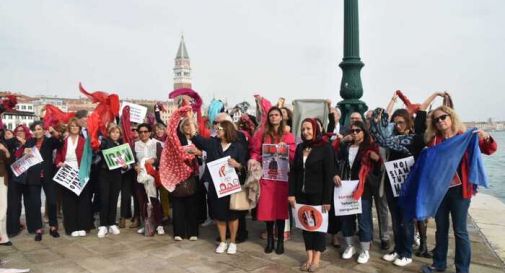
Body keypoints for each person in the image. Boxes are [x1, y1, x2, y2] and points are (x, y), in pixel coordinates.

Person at [421, 106, 497, 273]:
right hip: (439, 191)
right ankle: (439, 263)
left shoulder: (465, 137)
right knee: (441, 228)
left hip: (460, 191)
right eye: (436, 119)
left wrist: (486, 137)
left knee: (460, 230)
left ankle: (462, 269)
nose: (440, 121)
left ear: (451, 117)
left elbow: (490, 150)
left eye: (443, 117)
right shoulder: (433, 141)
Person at [191, 120, 247, 254]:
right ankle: (222, 241)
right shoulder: (212, 143)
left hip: (232, 186)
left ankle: (233, 242)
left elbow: (244, 166)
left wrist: (237, 165)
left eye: (220, 129)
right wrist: (190, 118)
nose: (217, 130)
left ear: (227, 130)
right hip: (216, 186)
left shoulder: (238, 147)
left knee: (233, 215)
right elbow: (196, 138)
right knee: (219, 214)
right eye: (217, 128)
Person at [249, 106, 296, 255]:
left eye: (276, 115)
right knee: (268, 209)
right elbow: (256, 151)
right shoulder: (263, 135)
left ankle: (280, 240)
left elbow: (295, 155)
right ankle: (270, 239)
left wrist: (286, 149)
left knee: (280, 211)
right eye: (271, 115)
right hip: (267, 178)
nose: (274, 117)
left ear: (281, 117)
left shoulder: (288, 136)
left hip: (282, 178)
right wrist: (253, 159)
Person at [288, 118, 334, 272]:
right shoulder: (300, 147)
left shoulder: (325, 148)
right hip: (302, 195)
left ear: (315, 129)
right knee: (306, 226)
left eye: (308, 129)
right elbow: (294, 172)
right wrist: (291, 193)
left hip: (319, 196)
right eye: (303, 129)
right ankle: (308, 257)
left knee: (318, 228)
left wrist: (327, 199)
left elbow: (329, 175)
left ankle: (316, 259)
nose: (305, 132)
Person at [334, 121, 381, 264]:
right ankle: (350, 245)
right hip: (345, 187)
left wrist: (377, 160)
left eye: (358, 130)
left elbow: (378, 169)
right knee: (346, 218)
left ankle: (365, 249)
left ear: (364, 132)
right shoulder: (345, 146)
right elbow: (335, 160)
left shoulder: (370, 147)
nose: (354, 133)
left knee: (364, 219)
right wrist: (335, 174)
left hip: (363, 189)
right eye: (352, 130)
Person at [24, 121, 63, 240]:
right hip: (33, 176)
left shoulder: (49, 140)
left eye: (39, 129)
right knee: (35, 204)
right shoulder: (30, 142)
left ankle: (53, 226)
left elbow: (60, 143)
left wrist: (53, 132)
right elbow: (24, 157)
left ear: (43, 130)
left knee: (52, 202)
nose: (37, 131)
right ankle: (38, 228)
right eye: (34, 129)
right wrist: (25, 153)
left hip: (48, 175)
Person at [55, 118, 93, 237]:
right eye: (72, 126)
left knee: (82, 201)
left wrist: (86, 171)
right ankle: (71, 227)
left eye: (76, 126)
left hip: (81, 172)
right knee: (68, 202)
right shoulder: (64, 141)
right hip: (67, 173)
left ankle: (82, 226)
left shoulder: (84, 141)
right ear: (69, 128)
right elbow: (58, 156)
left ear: (80, 128)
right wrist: (59, 163)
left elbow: (88, 158)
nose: (74, 128)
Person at [169, 117, 201, 241]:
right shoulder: (177, 140)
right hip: (178, 175)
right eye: (186, 125)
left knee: (192, 204)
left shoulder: (199, 140)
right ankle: (179, 232)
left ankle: (193, 231)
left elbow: (204, 155)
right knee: (178, 204)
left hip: (194, 175)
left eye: (191, 125)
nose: (189, 127)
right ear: (182, 127)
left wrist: (197, 153)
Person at [133, 123, 164, 236]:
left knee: (154, 199)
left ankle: (159, 223)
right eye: (140, 132)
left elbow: (161, 159)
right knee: (142, 200)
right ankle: (146, 223)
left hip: (153, 175)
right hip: (140, 175)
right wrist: (134, 166)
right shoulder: (135, 145)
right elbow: (131, 159)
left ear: (150, 132)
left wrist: (154, 161)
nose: (143, 134)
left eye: (145, 131)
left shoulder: (157, 144)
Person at [97, 125, 126, 238]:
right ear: (109, 133)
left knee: (114, 199)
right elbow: (102, 151)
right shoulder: (104, 142)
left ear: (120, 134)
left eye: (117, 133)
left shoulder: (121, 145)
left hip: (116, 175)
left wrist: (125, 166)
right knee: (104, 200)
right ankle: (103, 225)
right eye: (113, 132)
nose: (115, 134)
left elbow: (125, 162)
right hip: (104, 174)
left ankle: (112, 223)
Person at [0, 140, 12, 246]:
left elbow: (8, 162)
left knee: (3, 208)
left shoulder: (2, 145)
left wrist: (5, 150)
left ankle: (3, 237)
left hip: (2, 178)